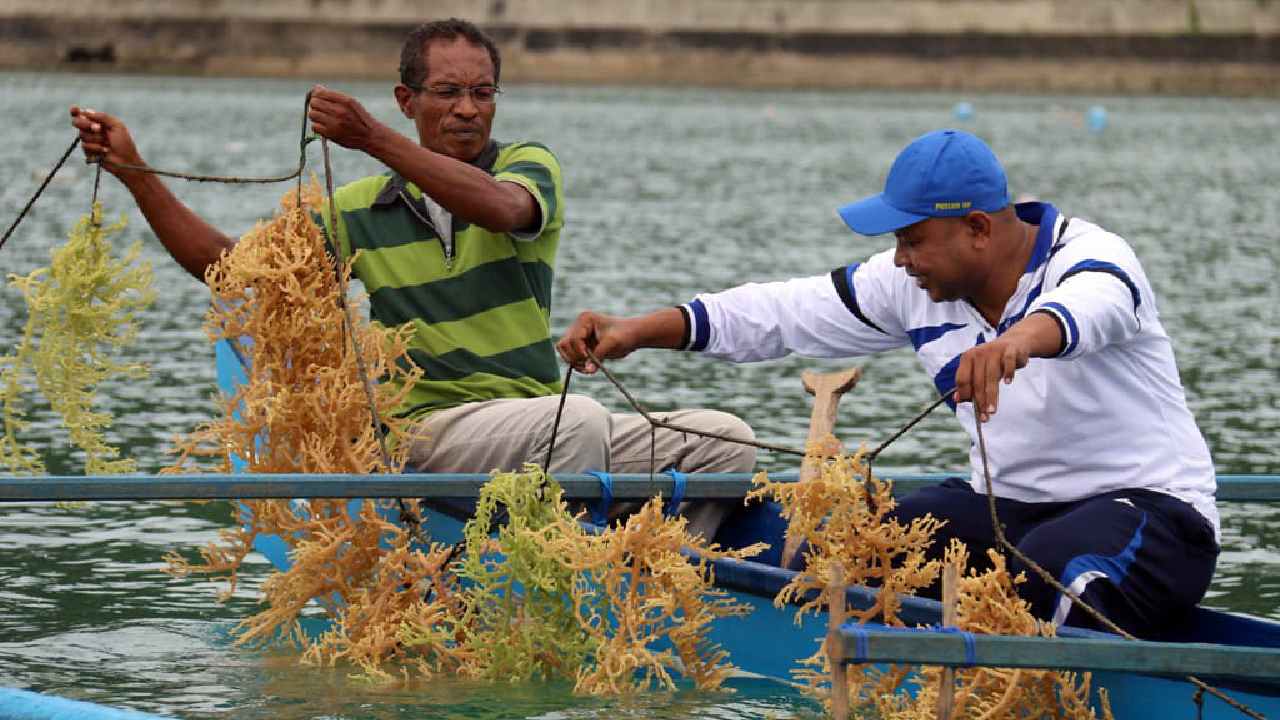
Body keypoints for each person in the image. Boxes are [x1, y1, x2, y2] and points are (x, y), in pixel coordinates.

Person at [69, 18, 754, 532]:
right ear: (407, 99)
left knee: (725, 442)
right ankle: (545, 576)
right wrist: (136, 173)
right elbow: (237, 275)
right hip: (432, 430)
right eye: (448, 92)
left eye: (482, 92)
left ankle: (650, 587)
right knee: (574, 424)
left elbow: (502, 209)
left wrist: (370, 137)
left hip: (538, 423)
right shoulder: (357, 211)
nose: (467, 109)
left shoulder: (527, 165)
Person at [557, 128, 1219, 637]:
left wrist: (1017, 341)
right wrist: (640, 330)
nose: (901, 260)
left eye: (912, 240)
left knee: (1050, 571)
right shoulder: (912, 284)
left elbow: (1092, 307)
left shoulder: (1094, 257)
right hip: (1009, 509)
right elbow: (779, 313)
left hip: (1157, 517)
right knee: (852, 557)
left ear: (978, 229)